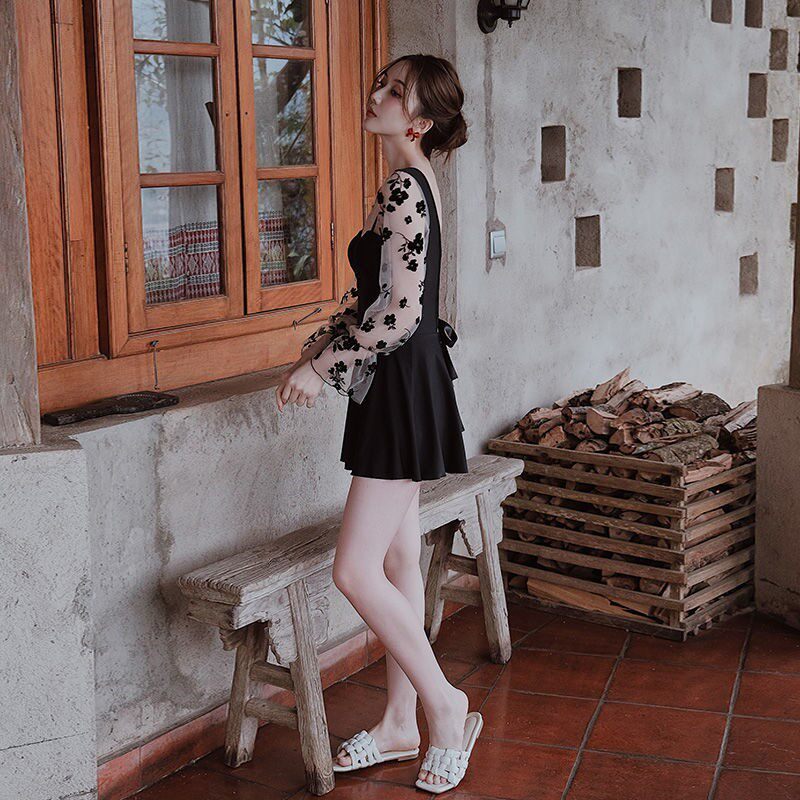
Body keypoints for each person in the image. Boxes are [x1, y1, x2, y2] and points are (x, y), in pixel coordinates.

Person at [276, 54, 479, 794]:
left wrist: (321, 367)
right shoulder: (410, 180)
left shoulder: (403, 186)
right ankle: (399, 724)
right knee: (396, 562)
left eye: (395, 92)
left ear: (418, 121)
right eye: (382, 84)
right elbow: (384, 303)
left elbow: (398, 314)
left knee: (353, 570)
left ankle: (445, 707)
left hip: (398, 388)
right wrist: (321, 348)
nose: (377, 96)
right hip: (400, 383)